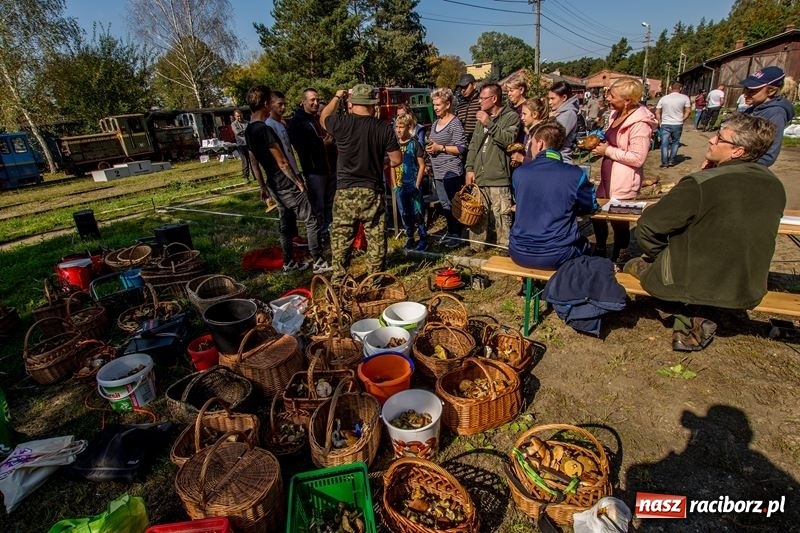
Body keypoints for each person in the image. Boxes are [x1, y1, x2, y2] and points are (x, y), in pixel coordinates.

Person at [623, 114, 785, 351]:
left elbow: (648, 226)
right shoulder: (774, 184)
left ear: (737, 151)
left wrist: (660, 255)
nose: (710, 139)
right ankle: (697, 313)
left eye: (720, 137)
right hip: (746, 287)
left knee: (633, 264)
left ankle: (686, 318)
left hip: (689, 282)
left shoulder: (701, 184)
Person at [245, 85, 330, 274]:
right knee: (311, 219)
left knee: (286, 222)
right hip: (285, 182)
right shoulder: (265, 129)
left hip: (273, 183)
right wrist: (297, 181)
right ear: (266, 104)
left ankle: (289, 262)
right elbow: (282, 161)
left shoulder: (249, 130)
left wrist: (262, 186)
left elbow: (253, 161)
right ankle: (318, 260)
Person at [320, 84, 401, 283]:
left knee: (341, 238)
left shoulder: (340, 123)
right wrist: (379, 161)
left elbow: (323, 117)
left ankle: (339, 281)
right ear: (372, 105)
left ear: (351, 103)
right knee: (375, 237)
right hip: (371, 190)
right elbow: (397, 159)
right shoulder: (383, 127)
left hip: (345, 191)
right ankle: (374, 280)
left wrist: (337, 96)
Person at [509, 120, 598, 269]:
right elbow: (590, 206)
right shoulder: (575, 174)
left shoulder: (519, 173)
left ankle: (529, 288)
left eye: (532, 143)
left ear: (540, 144)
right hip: (558, 254)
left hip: (518, 251)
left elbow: (518, 201)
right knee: (588, 246)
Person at [590, 77, 657, 264]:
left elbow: (638, 157)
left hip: (624, 180)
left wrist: (608, 150)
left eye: (612, 96)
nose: (608, 98)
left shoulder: (640, 123)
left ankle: (620, 256)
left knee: (620, 221)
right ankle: (601, 247)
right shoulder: (614, 115)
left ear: (627, 100)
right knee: (597, 213)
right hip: (606, 176)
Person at [464, 83, 520, 252]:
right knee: (477, 211)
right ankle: (476, 246)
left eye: (483, 98)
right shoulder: (481, 117)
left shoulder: (511, 117)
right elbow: (473, 145)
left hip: (498, 175)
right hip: (480, 175)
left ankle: (504, 246)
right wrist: (469, 168)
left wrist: (490, 124)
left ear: (494, 99)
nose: (479, 101)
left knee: (501, 214)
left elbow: (509, 140)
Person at [288, 87, 338, 235]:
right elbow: (301, 146)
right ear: (303, 102)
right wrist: (322, 144)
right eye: (312, 100)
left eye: (317, 100)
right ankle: (319, 232)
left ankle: (329, 229)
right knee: (318, 205)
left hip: (330, 167)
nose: (316, 103)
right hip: (315, 171)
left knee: (330, 202)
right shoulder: (297, 121)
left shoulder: (318, 118)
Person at [425, 87, 467, 248]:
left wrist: (440, 148)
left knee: (452, 204)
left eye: (438, 105)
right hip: (437, 170)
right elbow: (433, 143)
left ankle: (457, 235)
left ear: (448, 104)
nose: (435, 108)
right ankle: (451, 232)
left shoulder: (454, 123)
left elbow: (461, 148)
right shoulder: (436, 122)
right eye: (434, 104)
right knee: (444, 204)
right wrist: (430, 150)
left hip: (451, 170)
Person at [740, 66, 797, 167]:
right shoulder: (752, 109)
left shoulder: (776, 113)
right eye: (745, 89)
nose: (745, 94)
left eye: (752, 91)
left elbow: (769, 154)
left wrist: (740, 167)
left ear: (771, 91)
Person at [393, 114, 427, 251]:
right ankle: (410, 237)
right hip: (400, 185)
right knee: (405, 213)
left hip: (412, 183)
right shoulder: (394, 145)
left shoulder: (414, 144)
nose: (398, 130)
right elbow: (392, 165)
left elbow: (422, 165)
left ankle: (423, 238)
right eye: (397, 127)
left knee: (417, 213)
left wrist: (417, 184)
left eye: (401, 127)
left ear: (409, 127)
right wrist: (394, 184)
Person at [655, 81, 691, 168]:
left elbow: (657, 111)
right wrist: (683, 119)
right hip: (677, 123)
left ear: (671, 88)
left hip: (665, 123)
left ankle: (664, 162)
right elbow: (688, 111)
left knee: (664, 143)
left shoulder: (664, 98)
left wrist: (660, 121)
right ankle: (671, 160)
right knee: (675, 142)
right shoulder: (685, 98)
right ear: (680, 88)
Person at [265, 90, 300, 177]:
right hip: (284, 174)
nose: (283, 107)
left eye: (285, 104)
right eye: (280, 104)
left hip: (294, 169)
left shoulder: (282, 124)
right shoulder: (269, 125)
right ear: (271, 104)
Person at [547, 80, 581, 163]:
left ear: (564, 98)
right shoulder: (559, 113)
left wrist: (550, 120)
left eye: (552, 99)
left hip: (561, 160)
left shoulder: (568, 114)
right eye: (549, 99)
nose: (550, 102)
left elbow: (555, 138)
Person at [510, 97, 548, 166]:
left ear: (534, 114)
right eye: (521, 114)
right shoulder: (531, 131)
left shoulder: (541, 133)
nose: (522, 118)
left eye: (524, 114)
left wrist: (523, 159)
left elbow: (542, 161)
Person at [455, 73, 481, 144]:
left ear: (474, 85)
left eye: (466, 87)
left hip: (478, 143)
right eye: (461, 88)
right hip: (462, 143)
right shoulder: (460, 105)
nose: (463, 90)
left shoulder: (481, 101)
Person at [504, 76, 528, 143]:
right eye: (508, 91)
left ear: (521, 90)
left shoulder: (528, 107)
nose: (509, 94)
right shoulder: (510, 108)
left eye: (511, 91)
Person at [230, 110, 250, 182]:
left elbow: (250, 131)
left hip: (249, 144)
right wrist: (246, 131)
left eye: (240, 115)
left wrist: (244, 131)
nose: (239, 117)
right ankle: (245, 176)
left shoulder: (247, 122)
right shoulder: (234, 124)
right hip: (241, 145)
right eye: (237, 116)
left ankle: (256, 176)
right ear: (235, 117)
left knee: (253, 161)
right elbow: (237, 133)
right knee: (245, 161)